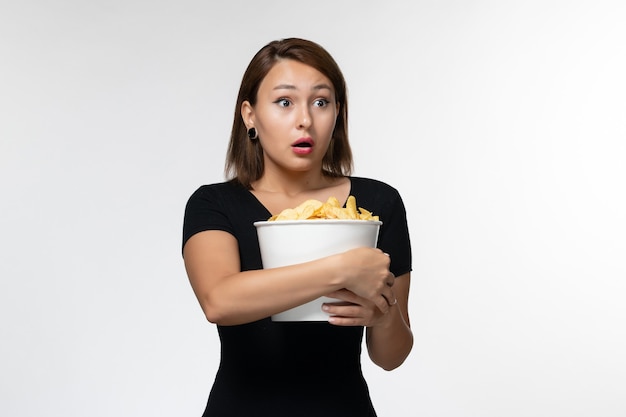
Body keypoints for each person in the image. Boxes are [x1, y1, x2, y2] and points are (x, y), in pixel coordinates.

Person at [182, 38, 413, 417]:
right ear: (249, 114)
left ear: (337, 113)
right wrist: (342, 269)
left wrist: (385, 315)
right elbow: (219, 301)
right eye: (284, 102)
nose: (304, 119)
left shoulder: (380, 203)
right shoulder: (214, 204)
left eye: (321, 102)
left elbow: (391, 357)